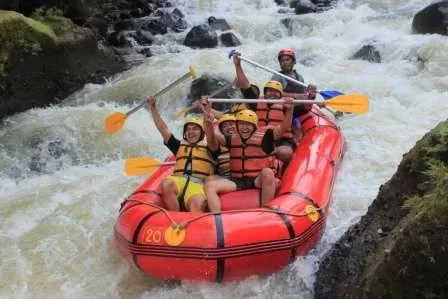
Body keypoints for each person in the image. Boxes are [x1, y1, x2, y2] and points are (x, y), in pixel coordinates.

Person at [202, 97, 294, 212]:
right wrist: (207, 116)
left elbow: (283, 127)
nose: (244, 128)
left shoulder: (265, 136)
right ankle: (217, 219)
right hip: (237, 181)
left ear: (255, 126)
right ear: (237, 126)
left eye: (248, 125)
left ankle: (266, 212)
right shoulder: (231, 139)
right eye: (241, 124)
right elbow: (212, 135)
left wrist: (289, 110)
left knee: (268, 173)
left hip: (257, 179)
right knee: (210, 186)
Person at [146, 96, 216, 212]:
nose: (190, 132)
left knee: (197, 203)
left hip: (197, 185)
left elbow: (212, 137)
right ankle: (174, 215)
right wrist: (153, 108)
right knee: (167, 182)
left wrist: (207, 111)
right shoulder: (179, 146)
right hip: (179, 181)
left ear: (202, 132)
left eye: (195, 129)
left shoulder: (210, 147)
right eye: (188, 130)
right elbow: (163, 129)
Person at [232, 52, 296, 163]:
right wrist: (238, 65)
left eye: (276, 92)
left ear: (281, 95)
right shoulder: (257, 102)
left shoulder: (285, 105)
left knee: (285, 153)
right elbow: (245, 85)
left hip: (282, 140)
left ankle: (272, 153)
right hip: (260, 137)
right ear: (264, 94)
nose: (272, 94)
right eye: (269, 91)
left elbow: (306, 107)